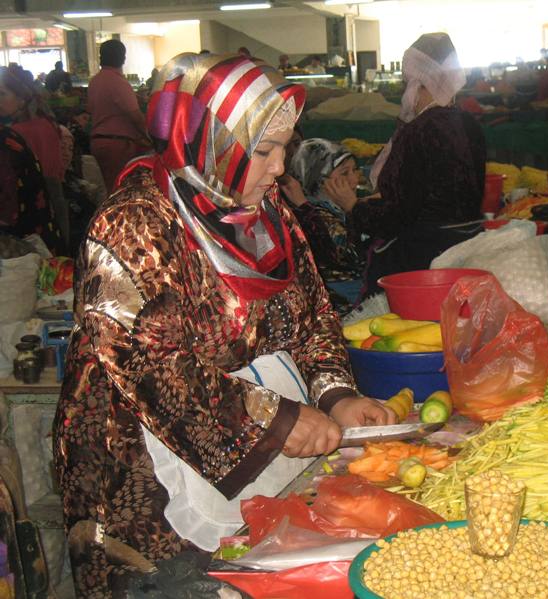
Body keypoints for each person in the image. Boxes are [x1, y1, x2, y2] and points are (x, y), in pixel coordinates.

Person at [53, 52, 394, 597]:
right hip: (143, 476)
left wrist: (334, 395)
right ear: (208, 142)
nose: (280, 169)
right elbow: (148, 366)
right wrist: (275, 421)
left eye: (284, 149)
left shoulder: (266, 217)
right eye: (264, 151)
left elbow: (312, 319)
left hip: (248, 446)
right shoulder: (135, 224)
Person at [355, 32, 486, 293]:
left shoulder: (418, 131)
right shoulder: (469, 123)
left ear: (421, 83)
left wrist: (353, 208)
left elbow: (398, 217)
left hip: (424, 257)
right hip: (469, 243)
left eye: (409, 83)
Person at [281, 138, 366, 309]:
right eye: (344, 173)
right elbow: (353, 256)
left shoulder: (335, 209)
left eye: (354, 170)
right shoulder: (315, 217)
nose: (354, 180)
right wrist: (353, 208)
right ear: (319, 179)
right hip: (344, 305)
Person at [0, 65, 70, 245]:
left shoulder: (15, 133)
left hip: (30, 207)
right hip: (52, 201)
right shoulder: (45, 122)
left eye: (2, 94)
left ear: (21, 98)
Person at [87, 39, 150, 195]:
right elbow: (135, 117)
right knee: (122, 190)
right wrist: (151, 137)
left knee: (111, 189)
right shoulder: (118, 82)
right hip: (117, 144)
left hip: (99, 141)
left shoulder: (95, 81)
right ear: (122, 58)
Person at [0, 126, 64, 253]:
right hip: (31, 240)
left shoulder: (5, 147)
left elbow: (8, 212)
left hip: (23, 249)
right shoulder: (8, 136)